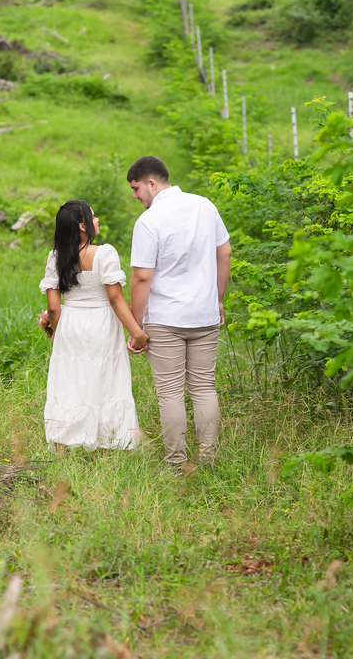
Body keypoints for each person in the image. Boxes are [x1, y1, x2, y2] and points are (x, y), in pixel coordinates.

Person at [126, 157, 231, 472]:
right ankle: (209, 460)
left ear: (152, 183)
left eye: (136, 188)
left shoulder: (149, 220)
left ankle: (177, 465)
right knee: (204, 387)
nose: (135, 196)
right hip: (204, 314)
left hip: (165, 318)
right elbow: (224, 252)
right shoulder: (204, 206)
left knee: (170, 393)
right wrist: (218, 298)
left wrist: (135, 327)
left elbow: (141, 277)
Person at [40, 200, 147, 451]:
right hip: (102, 324)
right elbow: (115, 298)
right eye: (93, 216)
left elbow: (53, 307)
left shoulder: (55, 257)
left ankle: (63, 444)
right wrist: (137, 333)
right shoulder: (104, 253)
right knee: (106, 380)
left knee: (70, 382)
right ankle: (106, 444)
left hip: (71, 323)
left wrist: (56, 331)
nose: (96, 220)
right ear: (82, 226)